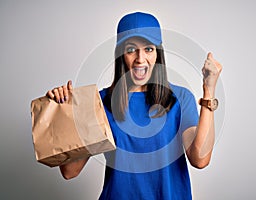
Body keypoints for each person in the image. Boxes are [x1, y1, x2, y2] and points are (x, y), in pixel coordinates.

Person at [46, 12, 222, 200]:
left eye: (148, 49)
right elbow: (70, 171)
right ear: (121, 54)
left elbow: (200, 159)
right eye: (131, 50)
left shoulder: (180, 98)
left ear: (158, 52)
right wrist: (63, 111)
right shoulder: (101, 102)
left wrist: (209, 90)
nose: (140, 58)